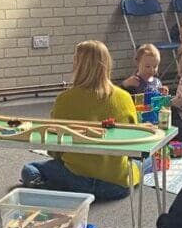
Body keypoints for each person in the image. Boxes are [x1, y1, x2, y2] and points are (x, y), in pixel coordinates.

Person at [21, 40, 144, 201]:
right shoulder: (125, 98)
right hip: (117, 185)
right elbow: (133, 144)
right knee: (143, 164)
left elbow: (54, 147)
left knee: (30, 169)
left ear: (78, 65)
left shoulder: (64, 100)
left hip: (75, 181)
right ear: (107, 64)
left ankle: (46, 189)